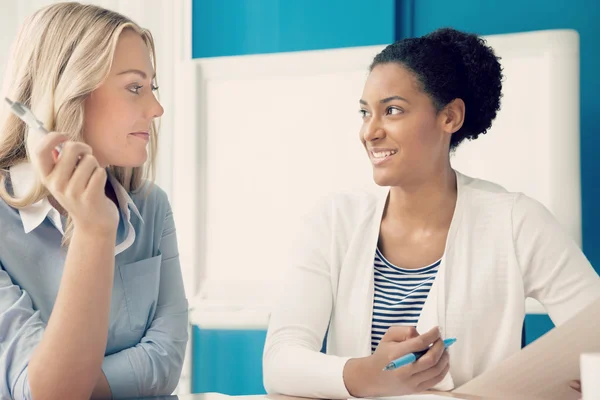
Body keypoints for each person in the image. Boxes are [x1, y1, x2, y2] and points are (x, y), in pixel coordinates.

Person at [262, 27, 600, 399]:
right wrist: (363, 374)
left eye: (392, 110)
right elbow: (280, 360)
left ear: (450, 117)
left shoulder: (515, 221)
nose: (369, 132)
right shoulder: (333, 221)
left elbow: (594, 332)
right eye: (364, 113)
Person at [0, 3, 188, 399]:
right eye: (135, 87)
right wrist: (93, 230)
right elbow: (45, 394)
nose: (157, 108)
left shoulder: (152, 206)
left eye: (152, 88)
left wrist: (83, 382)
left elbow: (167, 359)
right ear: (71, 89)